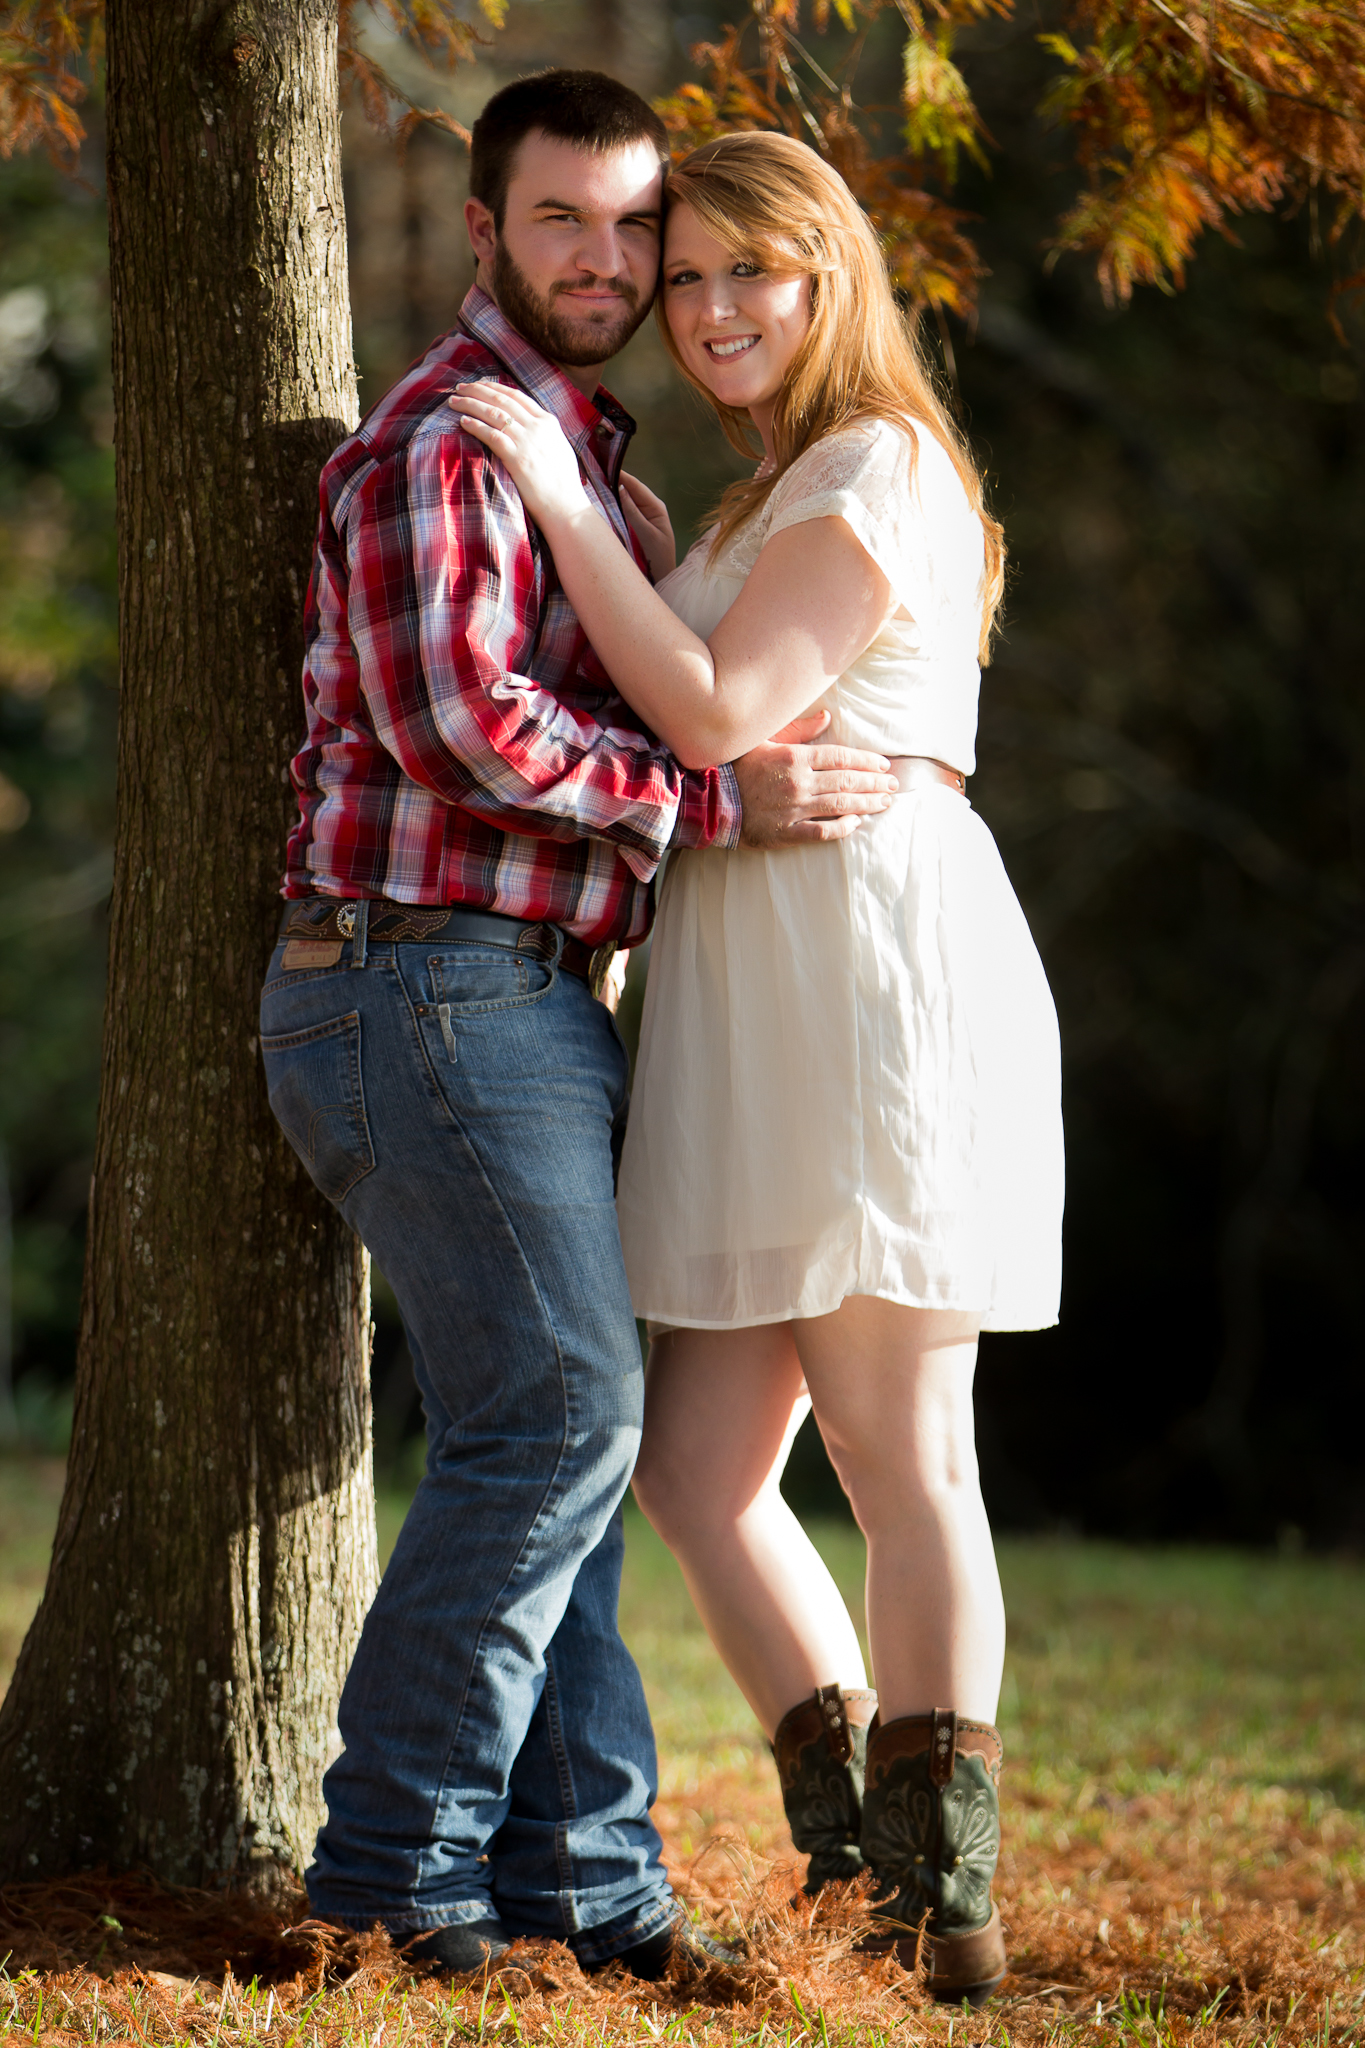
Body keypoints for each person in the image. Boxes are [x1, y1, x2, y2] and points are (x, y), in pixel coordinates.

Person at [258, 76, 899, 1981]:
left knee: (547, 1437)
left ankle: (583, 1890)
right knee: (563, 1421)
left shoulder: (591, 473)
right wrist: (721, 799)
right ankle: (391, 1876)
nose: (608, 263)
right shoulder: (446, 453)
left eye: (637, 230)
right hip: (414, 977)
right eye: (565, 223)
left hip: (518, 995)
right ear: (484, 229)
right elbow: (460, 722)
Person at [449, 130, 1065, 2006]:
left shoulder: (875, 463)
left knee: (901, 1456)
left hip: (867, 972)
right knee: (702, 1468)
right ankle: (855, 1864)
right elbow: (704, 738)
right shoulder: (752, 500)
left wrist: (557, 501)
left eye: (749, 275)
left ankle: (937, 1905)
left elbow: (717, 712)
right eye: (686, 272)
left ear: (832, 280)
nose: (708, 310)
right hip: (733, 984)